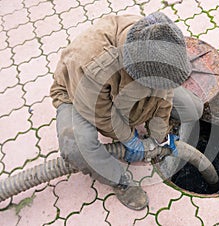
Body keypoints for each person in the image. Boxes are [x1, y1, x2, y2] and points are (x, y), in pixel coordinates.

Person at [50, 12, 203, 210]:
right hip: (78, 93)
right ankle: (118, 180)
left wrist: (160, 136)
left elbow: (165, 96)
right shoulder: (92, 64)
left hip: (131, 83)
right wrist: (130, 140)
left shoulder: (155, 36)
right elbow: (102, 115)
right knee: (77, 147)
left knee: (193, 108)